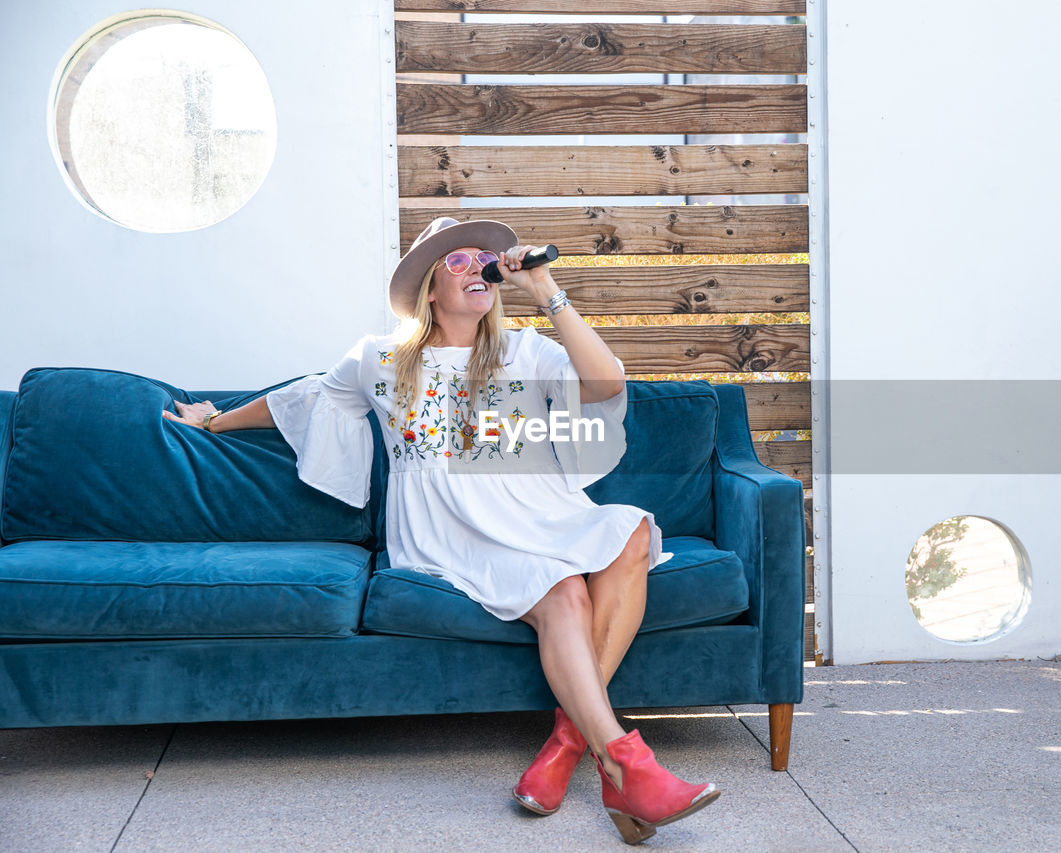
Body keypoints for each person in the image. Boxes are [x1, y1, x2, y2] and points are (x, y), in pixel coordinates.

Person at [162, 217, 719, 843]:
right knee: (565, 590)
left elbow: (606, 382)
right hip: (446, 524)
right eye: (457, 261)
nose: (476, 266)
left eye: (483, 259)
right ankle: (622, 762)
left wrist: (545, 287)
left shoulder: (523, 351)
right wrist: (215, 424)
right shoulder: (382, 358)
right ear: (430, 289)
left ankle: (570, 747)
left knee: (632, 532)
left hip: (532, 504)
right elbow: (310, 397)